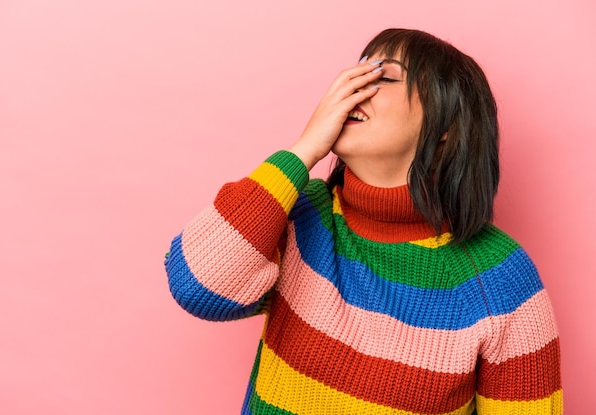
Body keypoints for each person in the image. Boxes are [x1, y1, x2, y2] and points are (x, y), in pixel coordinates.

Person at [164, 28, 563, 414]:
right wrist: (303, 150)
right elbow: (197, 287)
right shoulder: (302, 216)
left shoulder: (500, 280)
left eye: (383, 76)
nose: (352, 88)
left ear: (447, 127)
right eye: (355, 72)